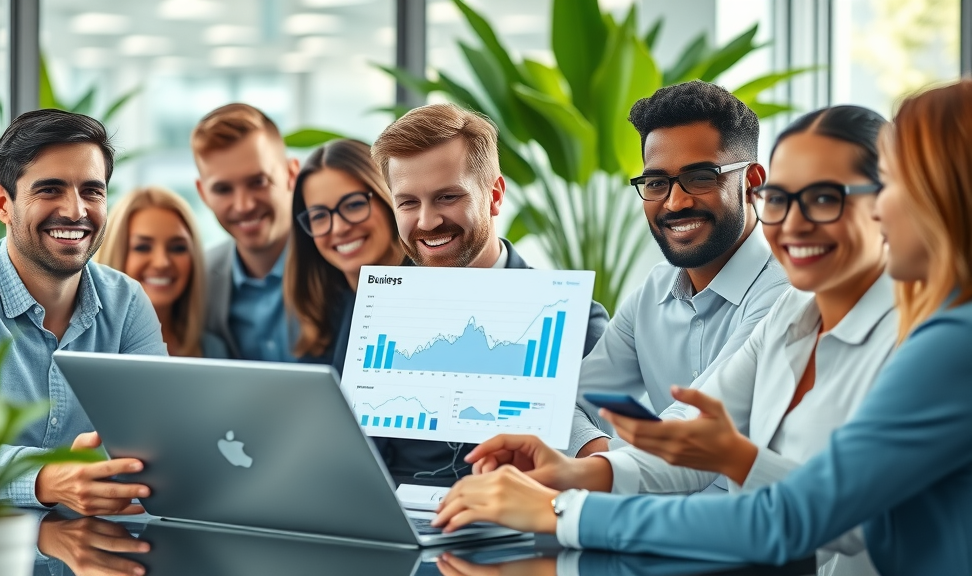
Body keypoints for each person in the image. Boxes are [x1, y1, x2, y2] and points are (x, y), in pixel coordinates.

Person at [432, 80, 972, 575]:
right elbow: (692, 442)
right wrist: (577, 473)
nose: (793, 222)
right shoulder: (794, 312)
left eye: (827, 198)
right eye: (780, 199)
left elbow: (798, 516)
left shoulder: (943, 341)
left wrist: (563, 509)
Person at [368, 102, 610, 483]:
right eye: (408, 203)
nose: (427, 221)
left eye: (448, 197)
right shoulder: (376, 311)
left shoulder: (577, 320)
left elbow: (600, 469)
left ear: (495, 195)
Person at [0, 109, 166, 515]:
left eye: (92, 191)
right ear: (2, 203)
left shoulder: (127, 301)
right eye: (50, 189)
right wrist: (48, 478)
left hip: (109, 539)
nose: (76, 211)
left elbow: (162, 436)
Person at [563, 81, 790, 457]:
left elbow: (693, 428)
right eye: (656, 183)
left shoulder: (785, 293)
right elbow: (565, 404)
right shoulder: (652, 294)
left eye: (700, 178)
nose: (675, 202)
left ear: (751, 183)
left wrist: (598, 466)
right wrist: (595, 453)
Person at [285, 139, 406, 374]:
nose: (339, 228)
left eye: (353, 205)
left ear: (388, 199)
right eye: (319, 216)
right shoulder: (325, 311)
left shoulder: (433, 296)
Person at [192, 103, 301, 361]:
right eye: (223, 189)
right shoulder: (196, 281)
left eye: (258, 182)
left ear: (292, 174)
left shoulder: (342, 264)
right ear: (203, 194)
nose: (244, 206)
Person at [96, 186, 227, 358]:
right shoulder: (86, 346)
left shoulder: (213, 350)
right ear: (116, 254)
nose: (162, 263)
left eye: (178, 248)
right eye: (142, 247)